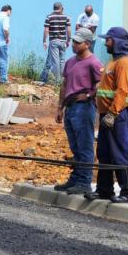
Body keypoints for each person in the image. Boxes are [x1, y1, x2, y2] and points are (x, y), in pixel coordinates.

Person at [85, 27, 128, 203]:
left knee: (121, 153)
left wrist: (113, 114)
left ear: (117, 42)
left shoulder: (125, 63)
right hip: (106, 115)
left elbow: (122, 91)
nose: (105, 42)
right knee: (105, 153)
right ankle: (104, 190)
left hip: (117, 116)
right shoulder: (112, 62)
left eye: (108, 39)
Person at [53, 28, 102, 194]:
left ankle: (84, 182)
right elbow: (64, 84)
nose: (73, 44)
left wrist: (89, 95)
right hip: (70, 106)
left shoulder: (94, 63)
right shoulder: (70, 62)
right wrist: (60, 108)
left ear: (87, 44)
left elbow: (101, 84)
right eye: (73, 41)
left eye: (77, 42)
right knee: (75, 145)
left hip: (84, 107)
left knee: (85, 145)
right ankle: (75, 178)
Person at [39, 2, 71, 85]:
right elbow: (68, 30)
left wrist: (44, 41)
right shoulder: (66, 17)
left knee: (55, 62)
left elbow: (46, 30)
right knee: (62, 61)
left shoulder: (49, 17)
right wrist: (68, 40)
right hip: (63, 41)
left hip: (53, 41)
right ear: (61, 8)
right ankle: (62, 81)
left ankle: (57, 81)